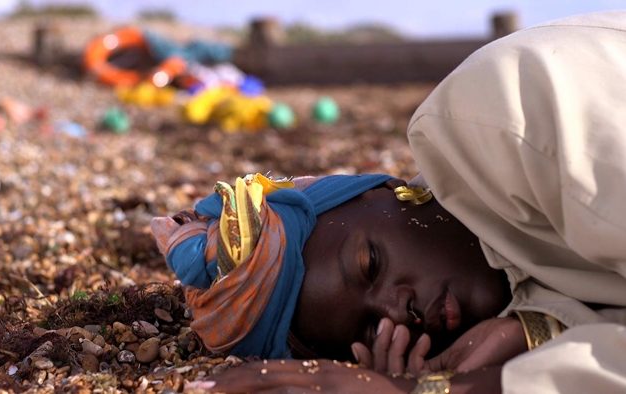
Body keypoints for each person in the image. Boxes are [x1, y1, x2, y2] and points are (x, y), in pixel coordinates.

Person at [153, 11, 626, 394]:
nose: (399, 312)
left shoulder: (502, 113)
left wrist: (448, 390)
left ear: (385, 192)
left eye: (370, 262)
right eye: (367, 335)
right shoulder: (510, 269)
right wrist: (537, 333)